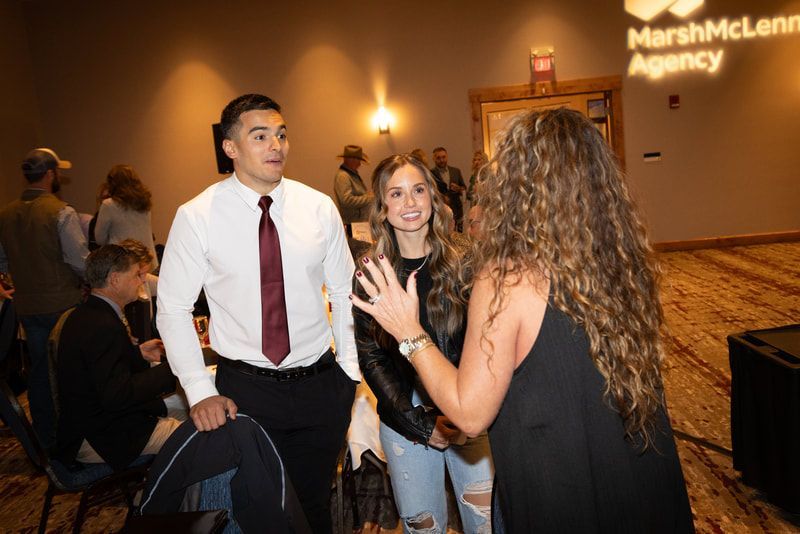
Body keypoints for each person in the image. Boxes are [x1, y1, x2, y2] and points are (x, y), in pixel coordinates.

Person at [352, 108, 694, 532]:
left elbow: (472, 413)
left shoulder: (507, 276)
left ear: (520, 184)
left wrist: (409, 332)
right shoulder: (622, 263)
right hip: (636, 477)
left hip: (559, 485)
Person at [157, 93, 358, 534]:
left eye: (282, 134)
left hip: (321, 386)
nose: (277, 146)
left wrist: (348, 372)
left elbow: (345, 293)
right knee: (259, 509)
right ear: (230, 147)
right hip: (244, 392)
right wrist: (198, 390)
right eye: (260, 135)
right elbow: (172, 308)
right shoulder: (197, 216)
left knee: (314, 505)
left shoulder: (318, 206)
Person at [353, 154, 493, 533]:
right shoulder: (372, 273)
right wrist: (419, 423)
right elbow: (371, 358)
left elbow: (487, 339)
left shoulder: (467, 259)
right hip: (407, 419)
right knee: (423, 526)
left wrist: (468, 411)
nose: (410, 203)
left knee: (486, 524)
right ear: (382, 208)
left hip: (468, 408)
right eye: (396, 194)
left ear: (433, 196)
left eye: (418, 190)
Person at [55, 244, 179, 471]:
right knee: (200, 434)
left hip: (95, 421)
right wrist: (174, 368)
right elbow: (117, 395)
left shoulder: (88, 313)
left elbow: (99, 370)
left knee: (187, 409)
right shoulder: (102, 324)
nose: (141, 281)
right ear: (114, 280)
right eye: (135, 275)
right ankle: (162, 497)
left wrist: (137, 353)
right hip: (100, 436)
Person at [0, 147, 88, 450]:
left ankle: (46, 438)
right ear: (51, 174)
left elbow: (2, 262)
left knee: (39, 372)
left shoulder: (6, 214)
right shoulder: (61, 212)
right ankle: (74, 440)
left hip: (26, 306)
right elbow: (79, 260)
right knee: (68, 372)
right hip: (62, 304)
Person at [95, 164, 158, 270]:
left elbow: (99, 239)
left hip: (124, 264)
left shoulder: (109, 205)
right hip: (147, 261)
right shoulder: (145, 203)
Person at [333, 144, 373, 234]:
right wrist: (370, 198)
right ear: (350, 159)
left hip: (357, 224)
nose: (359, 163)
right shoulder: (343, 176)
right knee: (360, 247)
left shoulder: (350, 174)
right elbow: (346, 201)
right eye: (358, 160)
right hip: (353, 225)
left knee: (363, 247)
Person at [431, 147, 466, 232]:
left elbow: (464, 188)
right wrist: (442, 197)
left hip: (457, 209)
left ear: (447, 157)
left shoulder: (456, 171)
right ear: (434, 159)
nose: (442, 160)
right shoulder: (430, 173)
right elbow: (430, 192)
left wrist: (459, 189)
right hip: (441, 211)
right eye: (438, 158)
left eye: (443, 157)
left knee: (459, 236)